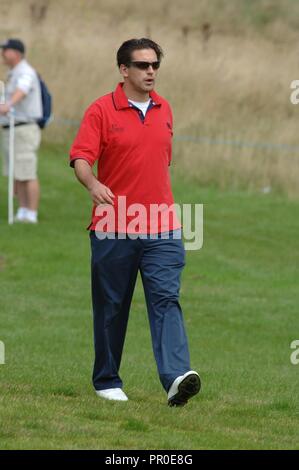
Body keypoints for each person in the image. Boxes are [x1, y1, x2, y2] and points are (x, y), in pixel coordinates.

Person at [69, 38, 201, 406]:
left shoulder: (165, 109)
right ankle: (107, 380)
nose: (151, 72)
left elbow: (159, 164)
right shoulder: (100, 111)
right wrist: (93, 183)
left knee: (166, 299)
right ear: (124, 70)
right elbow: (81, 158)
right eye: (143, 65)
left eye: (155, 65)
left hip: (162, 226)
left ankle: (176, 377)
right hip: (113, 224)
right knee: (112, 305)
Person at [0, 38, 42, 224]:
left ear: (16, 53)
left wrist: (8, 105)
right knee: (18, 172)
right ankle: (23, 209)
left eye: (6, 50)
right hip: (12, 128)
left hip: (24, 128)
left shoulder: (25, 72)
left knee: (27, 171)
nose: (3, 53)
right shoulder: (13, 72)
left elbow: (22, 90)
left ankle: (31, 213)